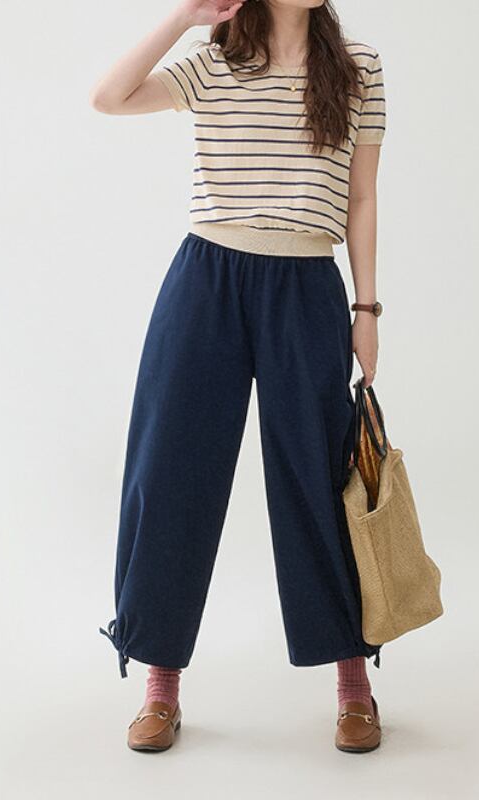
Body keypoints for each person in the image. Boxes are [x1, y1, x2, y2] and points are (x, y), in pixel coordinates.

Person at [89, 0, 387, 754]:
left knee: (319, 477)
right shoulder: (215, 61)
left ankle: (353, 682)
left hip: (306, 287)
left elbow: (361, 197)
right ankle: (159, 682)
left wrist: (366, 308)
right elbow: (108, 98)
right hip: (206, 282)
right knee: (172, 472)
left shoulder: (359, 68)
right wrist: (187, 16)